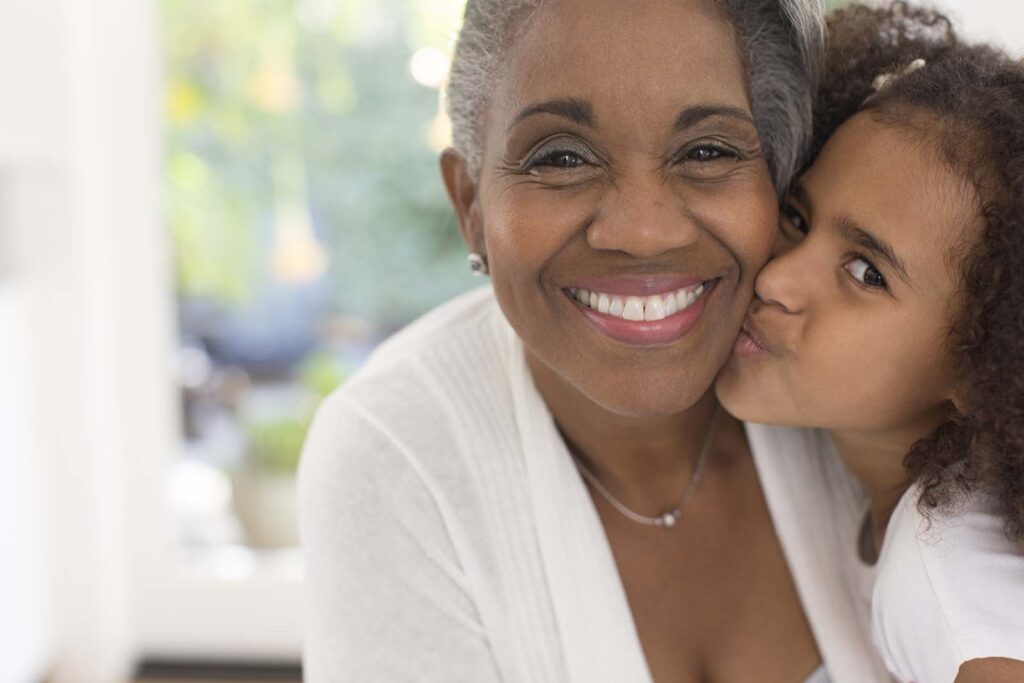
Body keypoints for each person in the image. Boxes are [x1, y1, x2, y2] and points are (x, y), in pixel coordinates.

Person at [299, 1, 891, 681]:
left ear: (780, 183)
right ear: (470, 207)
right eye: (561, 157)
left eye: (707, 151)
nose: (643, 232)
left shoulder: (863, 393)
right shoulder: (397, 452)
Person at [715, 4, 1024, 682]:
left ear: (983, 359)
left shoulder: (945, 579)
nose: (775, 276)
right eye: (797, 215)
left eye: (866, 271)